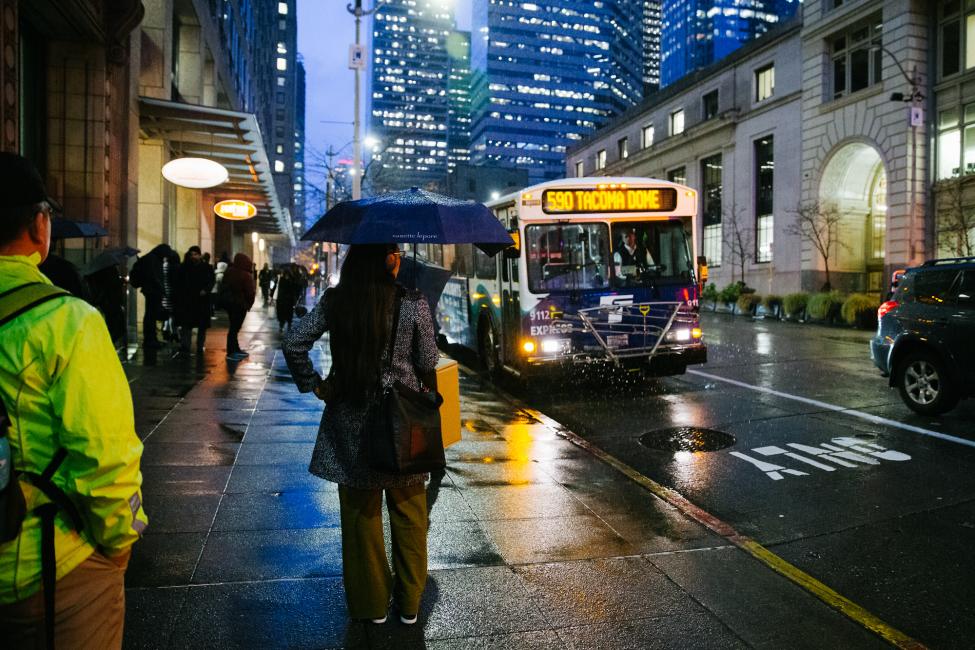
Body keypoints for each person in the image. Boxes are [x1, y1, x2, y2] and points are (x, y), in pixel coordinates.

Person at [0, 152, 148, 648]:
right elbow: (105, 456)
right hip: (43, 564)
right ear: (40, 227)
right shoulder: (65, 322)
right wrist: (120, 541)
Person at [283, 244, 438, 626]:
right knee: (410, 514)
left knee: (360, 519)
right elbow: (428, 361)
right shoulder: (411, 302)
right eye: (396, 252)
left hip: (350, 421)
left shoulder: (338, 301)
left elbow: (294, 341)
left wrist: (315, 385)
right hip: (402, 421)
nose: (400, 257)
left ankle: (370, 606)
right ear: (387, 259)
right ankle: (408, 604)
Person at [129, 243, 180, 349]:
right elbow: (154, 276)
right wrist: (161, 289)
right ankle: (150, 340)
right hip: (153, 291)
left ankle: (151, 339)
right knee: (151, 316)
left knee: (150, 315)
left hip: (151, 291)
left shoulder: (151, 258)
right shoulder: (153, 259)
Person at [174, 245, 215, 355]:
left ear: (200, 255)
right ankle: (186, 345)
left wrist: (206, 290)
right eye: (192, 254)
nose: (194, 257)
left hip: (201, 300)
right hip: (188, 300)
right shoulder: (185, 267)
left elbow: (211, 281)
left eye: (196, 254)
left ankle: (199, 345)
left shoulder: (206, 267)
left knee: (201, 325)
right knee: (187, 324)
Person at [221, 252, 256, 360]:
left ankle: (235, 349)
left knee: (233, 327)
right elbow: (250, 293)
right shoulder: (246, 275)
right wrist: (248, 305)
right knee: (235, 328)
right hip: (240, 305)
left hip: (230, 304)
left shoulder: (229, 272)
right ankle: (232, 351)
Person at [275, 264, 299, 332]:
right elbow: (278, 288)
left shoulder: (291, 279)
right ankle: (282, 325)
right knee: (283, 313)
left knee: (288, 313)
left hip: (288, 300)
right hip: (283, 299)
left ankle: (287, 325)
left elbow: (295, 288)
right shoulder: (282, 279)